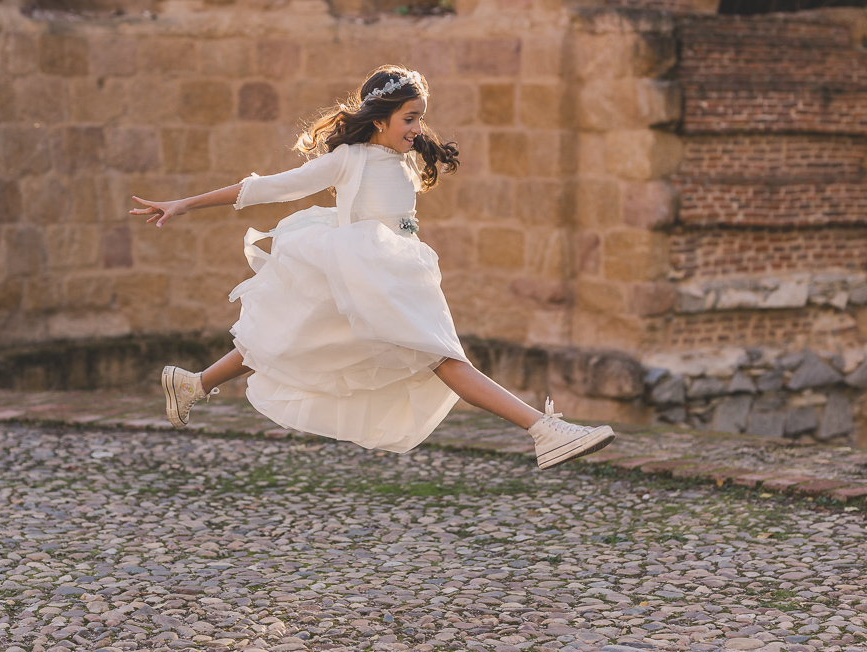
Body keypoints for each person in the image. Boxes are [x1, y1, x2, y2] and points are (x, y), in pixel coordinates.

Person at [129, 65, 614, 469]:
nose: (417, 128)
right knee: (443, 358)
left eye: (420, 118)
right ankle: (543, 430)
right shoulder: (349, 159)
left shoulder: (404, 160)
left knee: (291, 335)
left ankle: (192, 384)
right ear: (380, 119)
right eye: (409, 118)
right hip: (362, 267)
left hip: (396, 271)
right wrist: (185, 203)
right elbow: (265, 187)